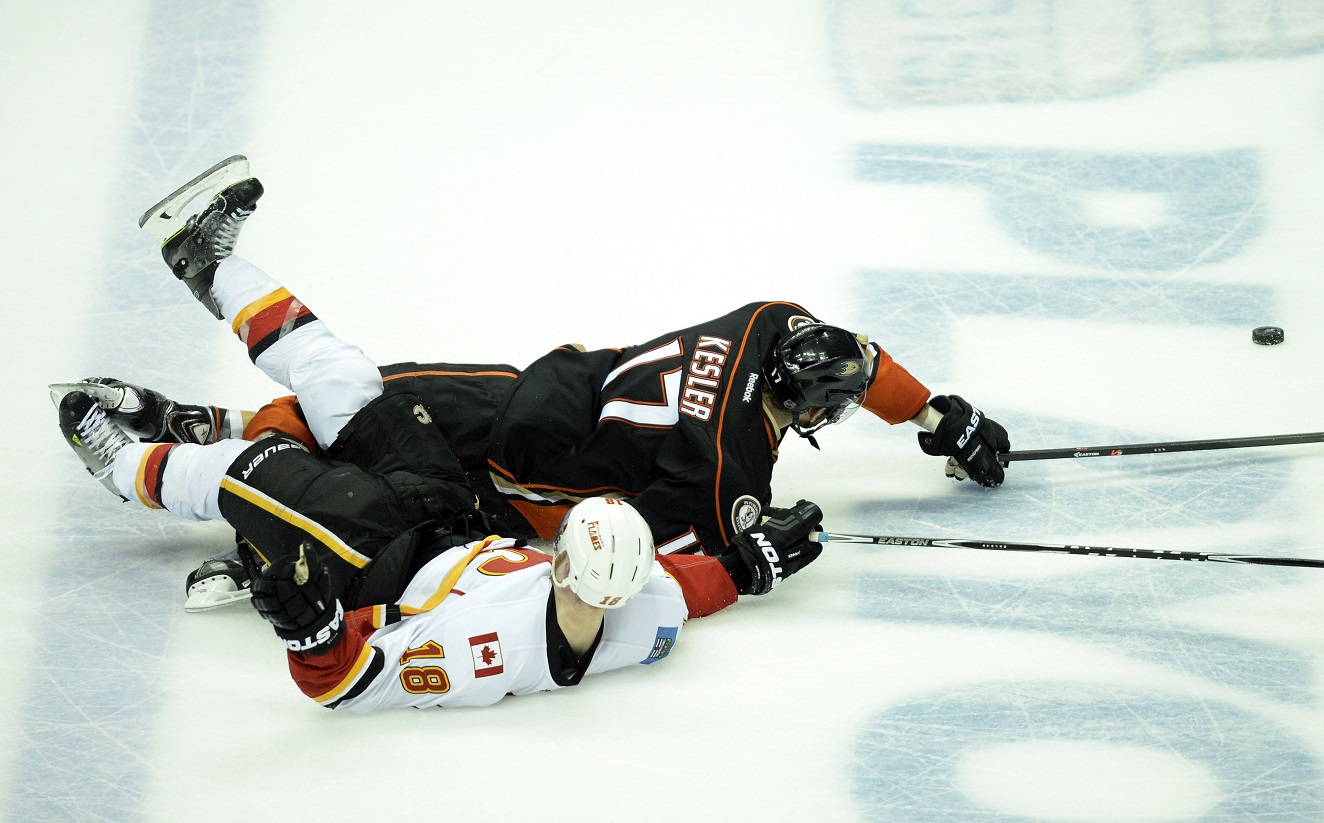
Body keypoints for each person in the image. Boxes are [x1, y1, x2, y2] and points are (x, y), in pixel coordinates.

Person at [69, 154, 1011, 609]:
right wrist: (748, 560)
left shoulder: (768, 321)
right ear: (809, 404)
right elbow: (641, 568)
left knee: (345, 386)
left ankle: (199, 419)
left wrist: (932, 409)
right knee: (352, 441)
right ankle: (210, 467)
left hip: (519, 385)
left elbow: (856, 357)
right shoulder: (726, 477)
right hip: (500, 473)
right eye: (838, 404)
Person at [53, 158, 826, 709]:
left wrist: (313, 632)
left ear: (566, 575)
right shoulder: (640, 605)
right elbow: (685, 587)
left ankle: (119, 463)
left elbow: (345, 685)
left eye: (562, 557)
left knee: (249, 469)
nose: (554, 557)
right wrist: (752, 565)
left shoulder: (489, 651)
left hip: (370, 556)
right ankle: (206, 263)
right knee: (347, 381)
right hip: (448, 506)